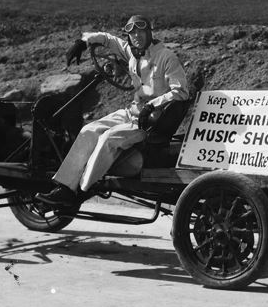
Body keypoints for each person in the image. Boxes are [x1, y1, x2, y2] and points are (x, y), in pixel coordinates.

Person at [37, 14, 189, 208]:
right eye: (132, 33)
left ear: (149, 32)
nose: (137, 36)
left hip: (151, 122)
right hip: (132, 112)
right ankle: (65, 188)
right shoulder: (131, 52)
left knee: (108, 138)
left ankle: (82, 192)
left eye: (141, 32)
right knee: (89, 130)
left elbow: (182, 91)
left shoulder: (166, 56)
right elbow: (106, 39)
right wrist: (82, 42)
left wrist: (154, 104)